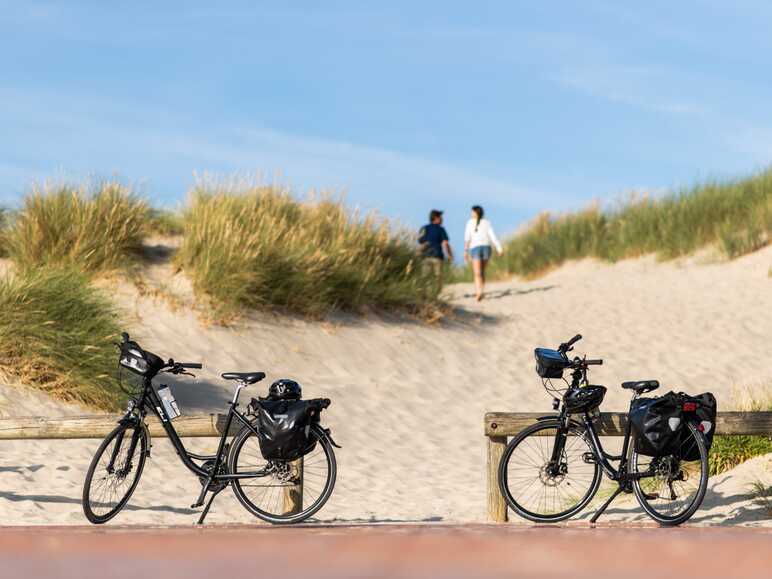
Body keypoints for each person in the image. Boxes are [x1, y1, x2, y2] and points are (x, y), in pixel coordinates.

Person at [464, 205, 503, 301]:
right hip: (487, 248)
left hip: (476, 248)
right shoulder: (487, 222)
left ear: (476, 213)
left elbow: (467, 238)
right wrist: (499, 248)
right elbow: (493, 236)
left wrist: (466, 251)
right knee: (482, 271)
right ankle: (481, 291)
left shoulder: (470, 222)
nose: (471, 214)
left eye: (472, 212)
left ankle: (479, 292)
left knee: (477, 273)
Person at [418, 209, 453, 287]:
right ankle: (436, 294)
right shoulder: (441, 229)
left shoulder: (424, 228)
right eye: (440, 217)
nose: (442, 219)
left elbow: (420, 241)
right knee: (438, 277)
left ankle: (424, 295)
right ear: (436, 218)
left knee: (425, 277)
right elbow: (445, 243)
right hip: (437, 256)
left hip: (425, 256)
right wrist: (450, 255)